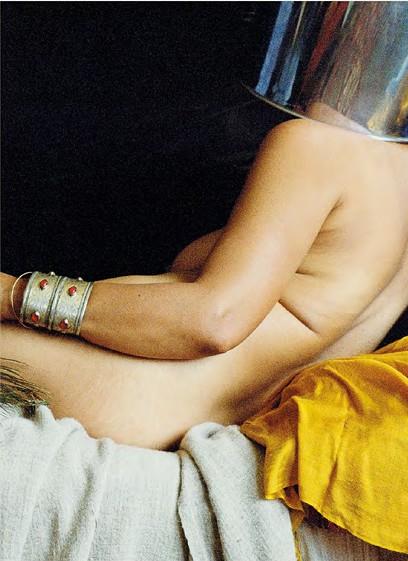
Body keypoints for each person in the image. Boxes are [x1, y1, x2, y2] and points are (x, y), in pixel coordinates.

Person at [1, 116, 408, 449]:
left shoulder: (323, 146)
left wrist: (13, 294)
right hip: (186, 420)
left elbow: (214, 320)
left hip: (120, 392)